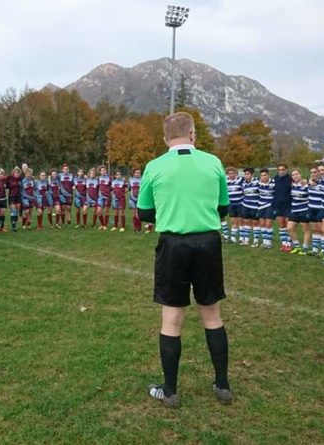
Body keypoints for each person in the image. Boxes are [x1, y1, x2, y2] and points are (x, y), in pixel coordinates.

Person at [138, 112, 233, 408]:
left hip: (173, 245)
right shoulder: (213, 162)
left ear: (165, 137)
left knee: (172, 319)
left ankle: (170, 391)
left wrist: (170, 214)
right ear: (193, 134)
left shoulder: (154, 167)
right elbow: (223, 208)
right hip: (208, 243)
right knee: (212, 316)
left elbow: (143, 213)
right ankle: (222, 385)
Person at [286, 169, 310, 254]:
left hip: (304, 210)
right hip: (294, 210)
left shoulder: (306, 185)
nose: (295, 176)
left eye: (296, 174)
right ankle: (297, 246)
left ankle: (305, 248)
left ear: (300, 174)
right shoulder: (292, 185)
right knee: (289, 228)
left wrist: (307, 182)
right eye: (293, 175)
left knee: (305, 230)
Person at [273, 164, 292, 250]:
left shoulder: (290, 179)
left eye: (283, 169)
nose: (281, 171)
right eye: (279, 169)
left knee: (289, 226)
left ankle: (289, 244)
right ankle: (284, 243)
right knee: (281, 225)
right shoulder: (275, 179)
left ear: (286, 170)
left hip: (288, 206)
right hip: (278, 205)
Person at [239, 168, 259, 247]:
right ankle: (246, 240)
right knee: (246, 222)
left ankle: (256, 241)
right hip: (245, 205)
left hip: (255, 206)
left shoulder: (257, 181)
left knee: (255, 223)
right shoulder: (243, 183)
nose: (246, 176)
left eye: (248, 174)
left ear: (252, 174)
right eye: (245, 174)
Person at [256, 168, 275, 249]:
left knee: (268, 224)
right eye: (262, 175)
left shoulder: (274, 182)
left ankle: (269, 243)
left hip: (270, 205)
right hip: (260, 205)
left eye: (265, 175)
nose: (263, 177)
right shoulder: (257, 182)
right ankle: (265, 242)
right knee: (262, 224)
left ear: (268, 175)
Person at [225, 167, 243, 243]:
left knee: (240, 221)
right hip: (231, 204)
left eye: (233, 173)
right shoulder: (226, 181)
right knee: (233, 221)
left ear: (236, 174)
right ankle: (233, 237)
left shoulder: (240, 180)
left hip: (240, 204)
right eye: (229, 174)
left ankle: (242, 237)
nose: (231, 175)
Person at [6, 167, 22, 232]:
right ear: (13, 173)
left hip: (18, 196)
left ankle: (14, 223)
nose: (17, 174)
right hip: (11, 196)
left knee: (17, 211)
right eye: (16, 173)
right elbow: (4, 182)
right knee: (13, 211)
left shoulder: (20, 179)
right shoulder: (9, 178)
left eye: (18, 173)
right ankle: (13, 226)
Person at [128, 168, 142, 234]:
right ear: (133, 173)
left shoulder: (143, 180)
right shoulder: (130, 180)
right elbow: (128, 188)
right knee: (134, 214)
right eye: (137, 172)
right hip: (132, 199)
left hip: (140, 200)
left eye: (139, 172)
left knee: (138, 215)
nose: (138, 174)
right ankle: (135, 229)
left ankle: (139, 228)